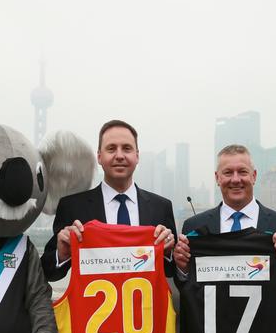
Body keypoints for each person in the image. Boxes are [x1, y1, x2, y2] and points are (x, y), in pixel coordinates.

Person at [41, 119, 177, 281]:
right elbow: (47, 271)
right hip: (93, 304)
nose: (119, 156)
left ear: (137, 156)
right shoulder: (72, 207)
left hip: (145, 305)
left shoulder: (161, 207)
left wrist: (169, 253)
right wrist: (62, 254)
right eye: (111, 149)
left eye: (127, 148)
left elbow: (171, 271)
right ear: (99, 156)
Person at [174, 144, 276, 295]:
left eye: (243, 172)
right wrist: (182, 268)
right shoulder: (194, 226)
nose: (236, 179)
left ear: (254, 176)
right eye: (228, 173)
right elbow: (184, 287)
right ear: (217, 178)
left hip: (263, 319)